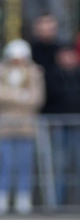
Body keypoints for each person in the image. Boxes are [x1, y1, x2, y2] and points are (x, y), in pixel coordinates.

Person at [0, 36, 44, 215]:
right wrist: (20, 95)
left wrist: (12, 96)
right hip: (5, 124)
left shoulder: (35, 72)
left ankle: (23, 197)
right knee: (4, 163)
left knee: (25, 164)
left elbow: (36, 98)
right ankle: (1, 197)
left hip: (26, 124)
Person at [47, 41, 80, 206]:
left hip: (77, 126)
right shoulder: (52, 76)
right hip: (59, 126)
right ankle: (57, 203)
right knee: (59, 167)